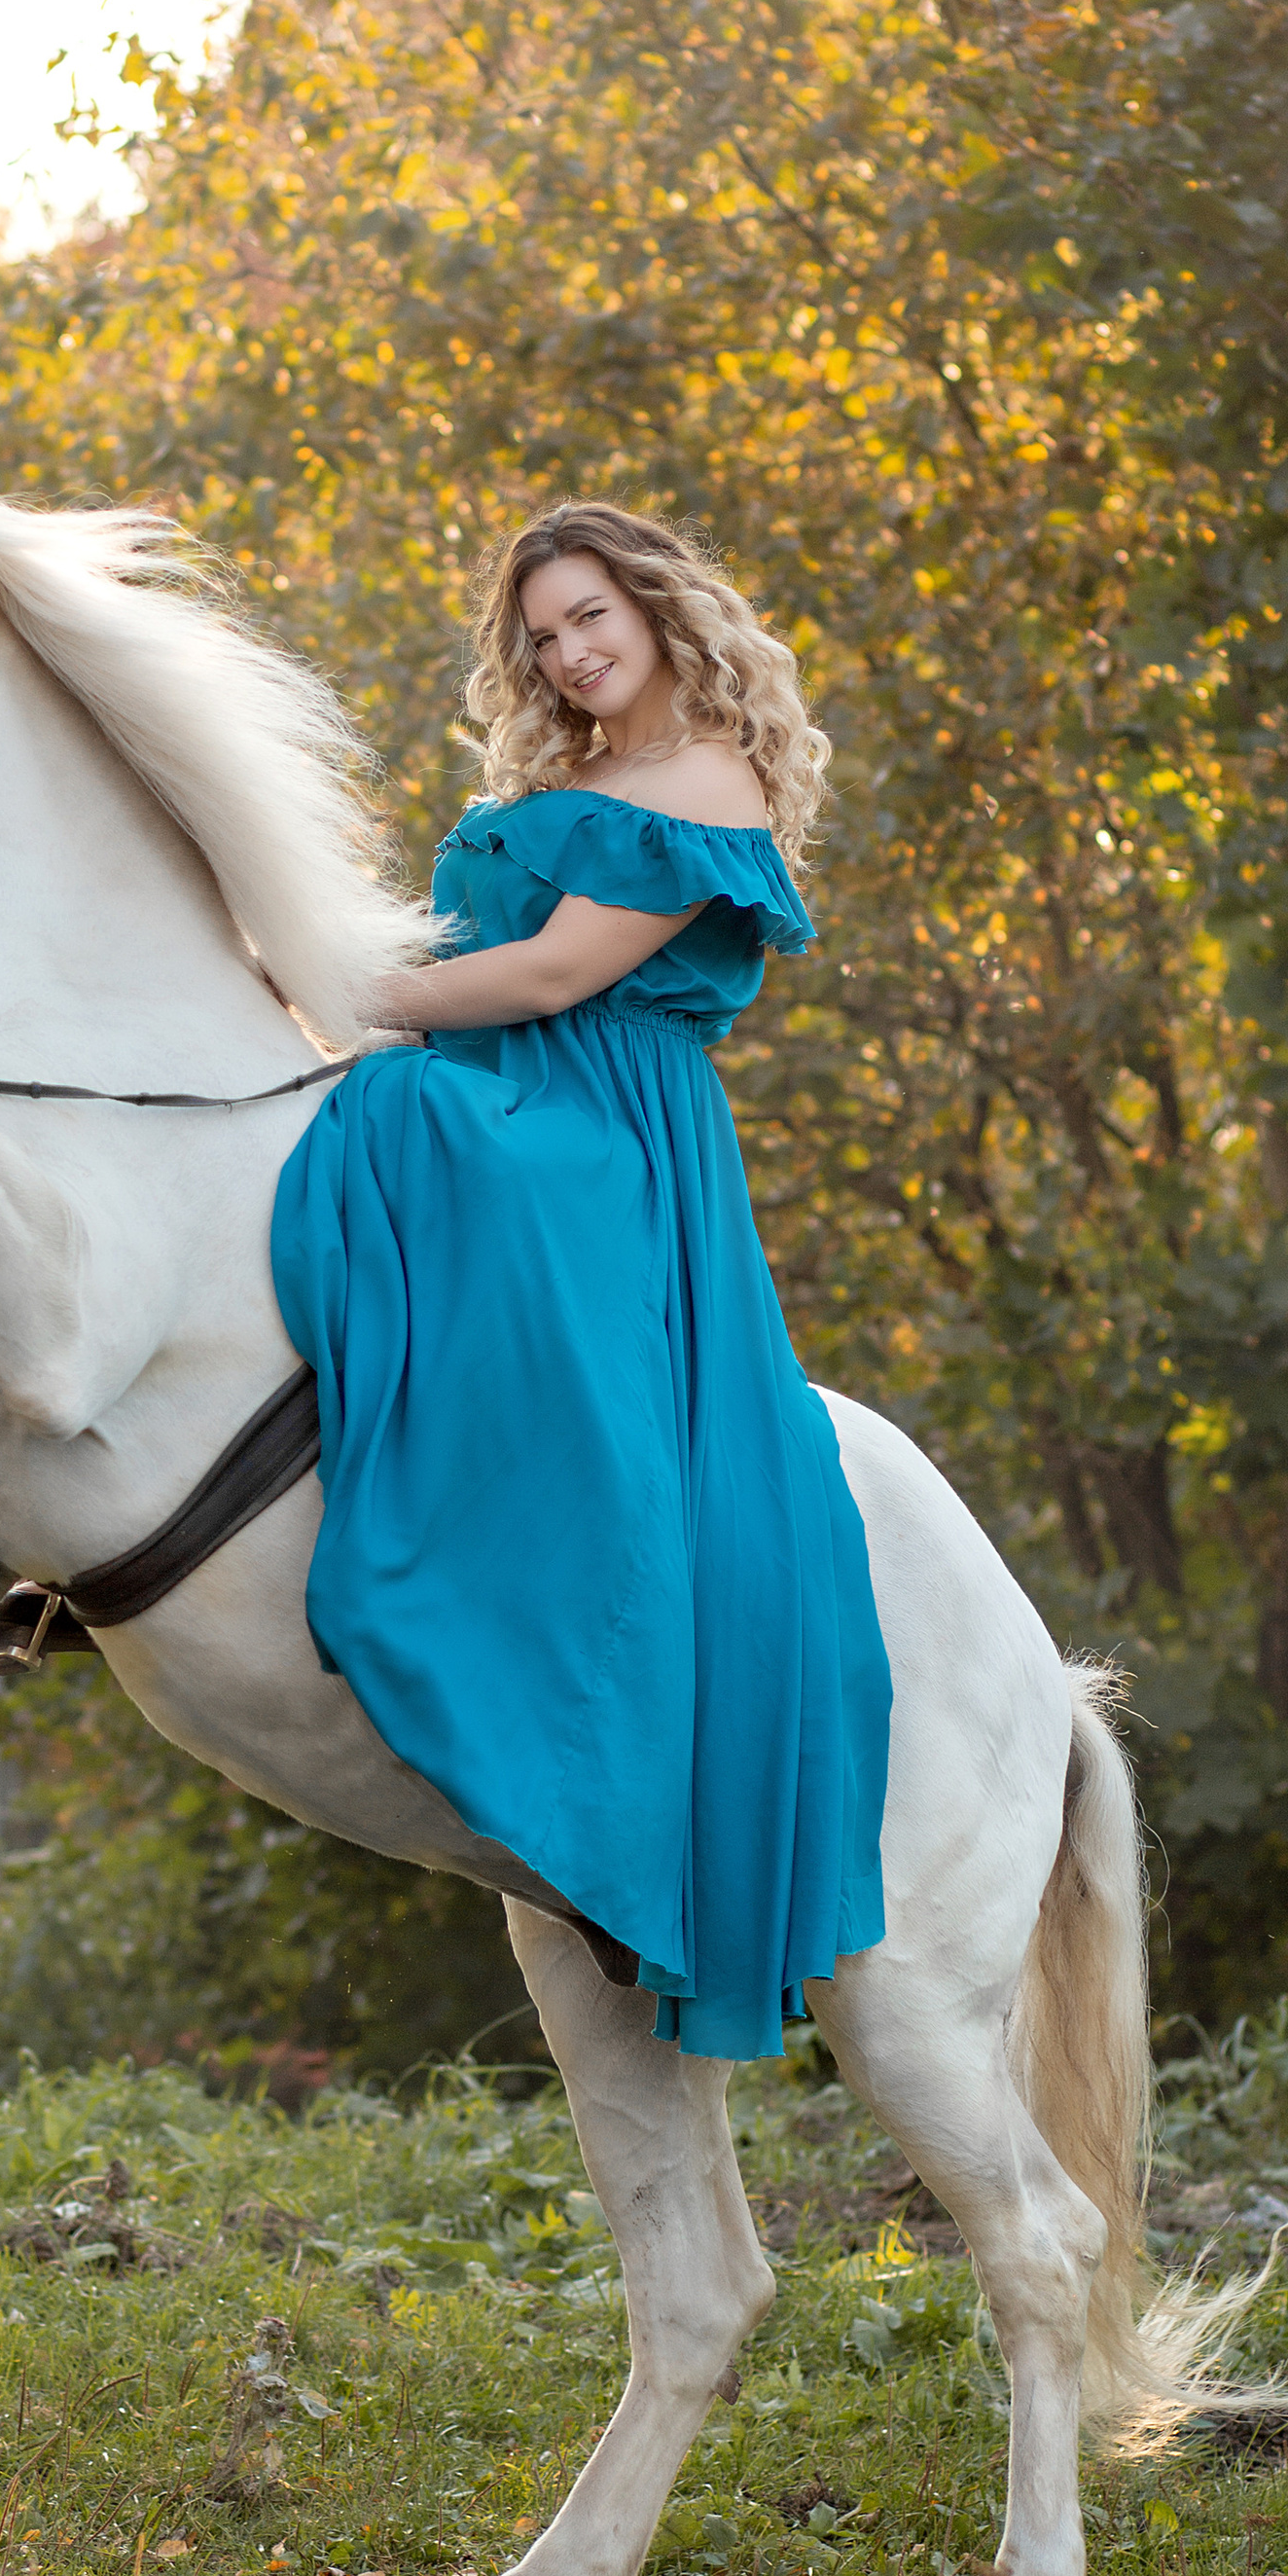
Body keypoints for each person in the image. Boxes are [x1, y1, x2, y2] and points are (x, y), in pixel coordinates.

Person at [270, 500, 891, 2058]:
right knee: (366, 1111)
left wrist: (343, 996)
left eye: (591, 615)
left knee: (388, 1110)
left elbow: (552, 976)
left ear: (661, 608)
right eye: (544, 633)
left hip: (598, 1118)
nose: (570, 650)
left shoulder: (708, 778)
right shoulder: (580, 777)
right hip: (514, 1084)